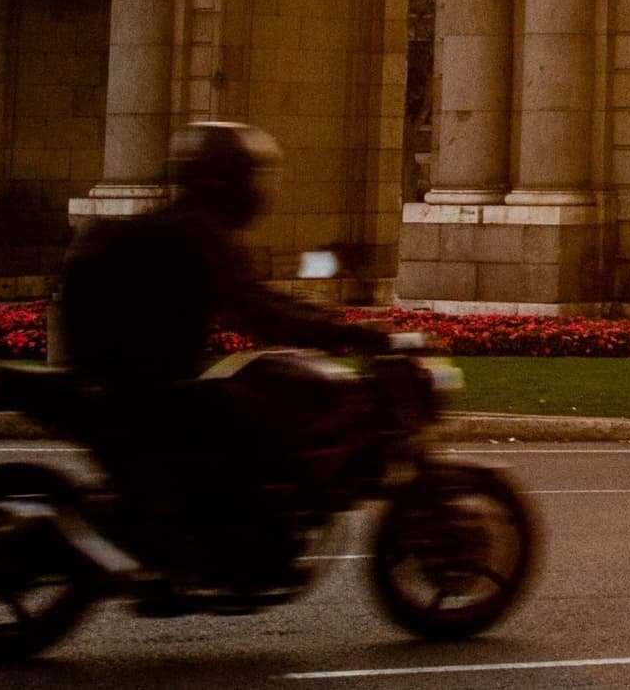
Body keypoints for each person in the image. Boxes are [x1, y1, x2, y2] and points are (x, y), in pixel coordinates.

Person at [54, 121, 385, 592]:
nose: (257, 190)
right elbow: (260, 312)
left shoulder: (183, 227)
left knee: (235, 407)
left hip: (130, 381)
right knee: (254, 422)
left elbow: (259, 301)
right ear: (224, 180)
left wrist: (332, 324)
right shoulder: (197, 234)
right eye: (249, 177)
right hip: (149, 387)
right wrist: (347, 334)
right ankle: (216, 551)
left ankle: (206, 544)